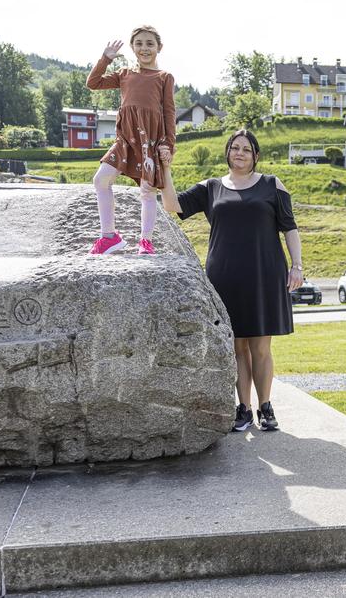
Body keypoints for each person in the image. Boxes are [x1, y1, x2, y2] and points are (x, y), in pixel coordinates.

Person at [159, 129, 303, 432]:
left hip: (265, 273)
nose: (239, 153)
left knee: (261, 347)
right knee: (237, 347)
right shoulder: (211, 187)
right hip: (224, 276)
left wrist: (297, 266)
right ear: (227, 152)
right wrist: (166, 168)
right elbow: (171, 204)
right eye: (234, 148)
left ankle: (265, 407)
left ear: (256, 155)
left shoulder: (272, 184)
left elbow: (290, 228)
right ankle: (243, 408)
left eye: (246, 149)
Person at [86, 25, 176, 255]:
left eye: (149, 43)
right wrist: (105, 59)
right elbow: (93, 83)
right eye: (139, 43)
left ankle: (145, 241)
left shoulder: (164, 77)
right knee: (101, 180)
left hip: (150, 140)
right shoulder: (124, 73)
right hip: (125, 139)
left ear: (159, 47)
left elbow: (169, 113)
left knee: (147, 190)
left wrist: (168, 144)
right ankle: (109, 237)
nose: (144, 48)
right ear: (132, 47)